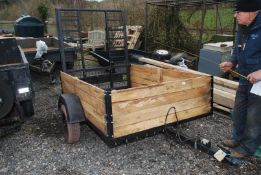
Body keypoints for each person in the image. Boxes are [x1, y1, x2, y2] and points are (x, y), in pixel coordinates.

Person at [219, 0, 261, 158]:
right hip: (245, 76)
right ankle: (237, 138)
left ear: (251, 12)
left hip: (259, 83)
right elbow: (238, 48)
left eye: (239, 12)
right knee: (239, 110)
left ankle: (248, 147)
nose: (234, 15)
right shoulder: (242, 26)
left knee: (254, 116)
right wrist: (231, 62)